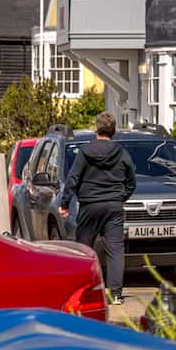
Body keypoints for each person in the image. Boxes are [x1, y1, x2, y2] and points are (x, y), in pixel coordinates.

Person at [61, 112, 137, 304]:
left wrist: (64, 203)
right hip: (113, 206)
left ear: (96, 128)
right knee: (115, 249)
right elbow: (131, 180)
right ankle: (116, 294)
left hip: (90, 205)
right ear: (114, 131)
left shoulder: (85, 152)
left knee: (84, 248)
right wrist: (121, 197)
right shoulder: (122, 153)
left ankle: (83, 290)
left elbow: (73, 178)